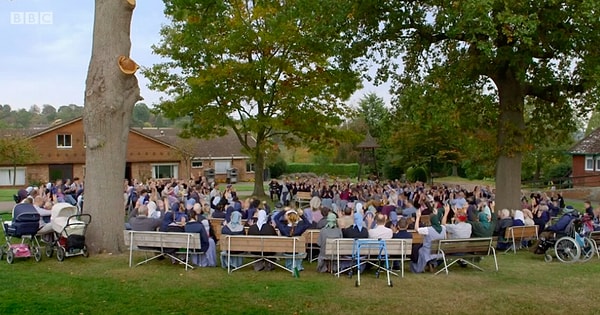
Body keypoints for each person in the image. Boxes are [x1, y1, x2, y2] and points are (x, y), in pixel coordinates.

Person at [410, 208, 446, 273]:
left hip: (427, 251)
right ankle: (431, 264)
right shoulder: (443, 228)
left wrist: (418, 217)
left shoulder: (428, 229)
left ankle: (421, 266)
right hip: (439, 251)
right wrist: (436, 215)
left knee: (418, 249)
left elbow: (416, 229)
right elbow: (442, 222)